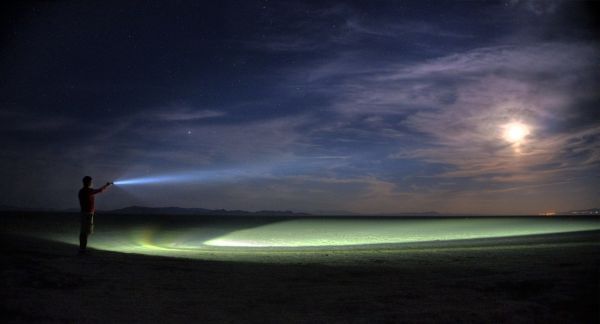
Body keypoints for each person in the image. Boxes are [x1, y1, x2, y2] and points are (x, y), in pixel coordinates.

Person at [78, 176, 112, 254]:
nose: (92, 183)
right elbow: (100, 190)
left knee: (84, 232)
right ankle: (82, 250)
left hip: (85, 213)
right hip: (87, 214)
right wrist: (107, 185)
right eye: (91, 182)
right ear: (88, 182)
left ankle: (82, 249)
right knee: (85, 232)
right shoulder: (87, 191)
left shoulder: (82, 191)